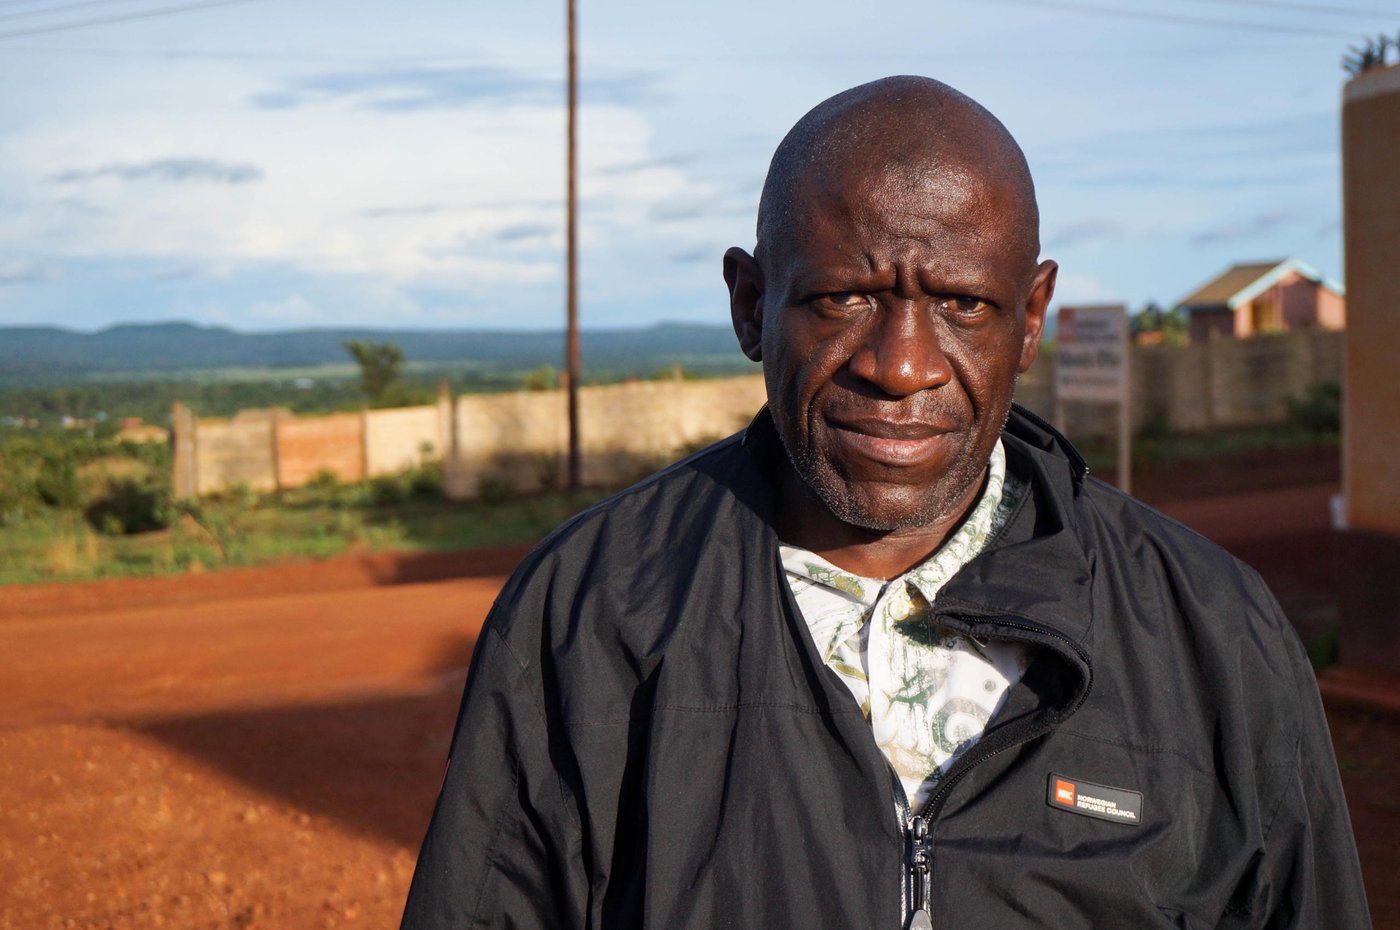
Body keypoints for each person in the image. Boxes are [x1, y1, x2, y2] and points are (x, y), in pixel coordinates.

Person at [401, 76, 1370, 929]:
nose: (899, 366)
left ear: (1028, 318)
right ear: (749, 303)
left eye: (961, 305)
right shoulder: (586, 617)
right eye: (842, 298)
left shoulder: (1212, 639)